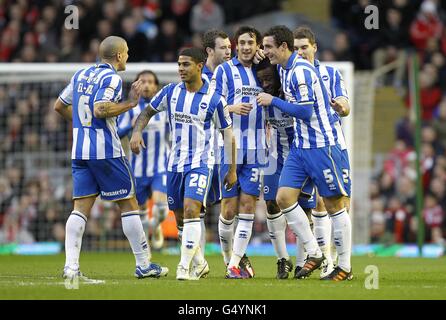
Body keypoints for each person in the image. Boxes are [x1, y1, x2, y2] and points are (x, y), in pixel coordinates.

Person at [54, 36, 168, 282]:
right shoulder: (112, 78)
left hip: (80, 152)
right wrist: (131, 103)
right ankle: (144, 265)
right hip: (106, 152)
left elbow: (59, 106)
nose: (127, 56)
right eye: (126, 52)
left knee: (80, 209)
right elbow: (100, 109)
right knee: (129, 205)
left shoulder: (81, 74)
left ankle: (71, 269)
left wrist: (81, 127)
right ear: (118, 56)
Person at [130, 47, 237, 281]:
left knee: (191, 210)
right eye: (179, 64)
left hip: (201, 163)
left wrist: (231, 169)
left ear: (199, 66)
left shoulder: (215, 99)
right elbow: (147, 112)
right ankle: (200, 263)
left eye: (186, 64)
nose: (180, 68)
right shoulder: (170, 92)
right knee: (179, 217)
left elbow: (228, 135)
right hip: (174, 164)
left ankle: (184, 266)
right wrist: (137, 132)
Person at [258, 25, 352, 281]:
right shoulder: (284, 68)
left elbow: (305, 111)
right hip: (300, 148)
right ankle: (314, 251)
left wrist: (273, 100)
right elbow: (264, 64)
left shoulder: (300, 72)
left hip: (322, 145)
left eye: (269, 47)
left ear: (283, 47)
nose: (266, 52)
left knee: (333, 205)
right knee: (284, 198)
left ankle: (344, 266)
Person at [293, 26, 352, 279]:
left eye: (304, 47)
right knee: (315, 204)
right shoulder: (289, 76)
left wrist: (342, 107)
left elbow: (346, 105)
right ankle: (324, 258)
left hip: (334, 144)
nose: (300, 52)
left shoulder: (330, 73)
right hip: (306, 147)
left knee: (339, 205)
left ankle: (340, 261)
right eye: (295, 48)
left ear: (315, 47)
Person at [212, 26, 266, 279]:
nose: (246, 47)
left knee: (248, 206)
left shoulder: (265, 71)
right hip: (229, 148)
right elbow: (210, 106)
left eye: (250, 43)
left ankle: (234, 264)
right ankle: (228, 259)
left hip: (257, 150)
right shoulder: (224, 71)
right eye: (242, 42)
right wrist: (232, 107)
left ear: (258, 46)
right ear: (236, 45)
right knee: (228, 210)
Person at [256, 59, 317, 279]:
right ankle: (282, 259)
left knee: (304, 208)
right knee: (272, 204)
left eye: (269, 79)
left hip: (301, 156)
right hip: (275, 157)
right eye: (261, 79)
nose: (264, 84)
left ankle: (303, 262)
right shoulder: (261, 98)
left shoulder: (292, 95)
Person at [117, 70, 169, 250]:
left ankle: (156, 227)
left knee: (161, 209)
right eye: (143, 81)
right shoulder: (130, 110)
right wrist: (129, 128)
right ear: (137, 86)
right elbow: (117, 133)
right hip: (136, 169)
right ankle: (145, 248)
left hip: (160, 167)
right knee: (140, 213)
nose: (146, 85)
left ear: (156, 86)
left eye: (150, 82)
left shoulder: (164, 109)